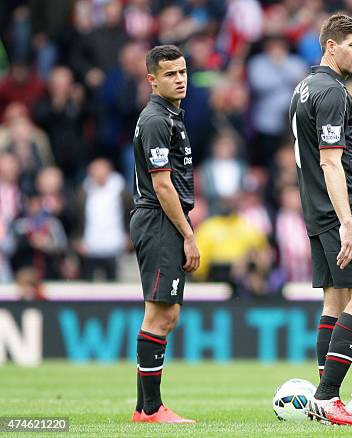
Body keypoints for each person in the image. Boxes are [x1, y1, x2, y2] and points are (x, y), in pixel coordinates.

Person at [289, 13, 352, 427]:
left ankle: (324, 396)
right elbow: (330, 162)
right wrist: (348, 220)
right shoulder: (332, 93)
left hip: (316, 209)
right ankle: (328, 396)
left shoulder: (305, 87)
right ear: (331, 46)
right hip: (344, 210)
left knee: (335, 301)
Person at [129, 45, 199, 424]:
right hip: (158, 219)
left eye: (183, 72)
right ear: (152, 80)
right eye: (171, 74)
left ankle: (144, 409)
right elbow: (163, 186)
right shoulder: (156, 119)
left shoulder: (172, 117)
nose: (180, 79)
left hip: (163, 219)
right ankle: (152, 409)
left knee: (163, 314)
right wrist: (188, 235)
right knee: (161, 315)